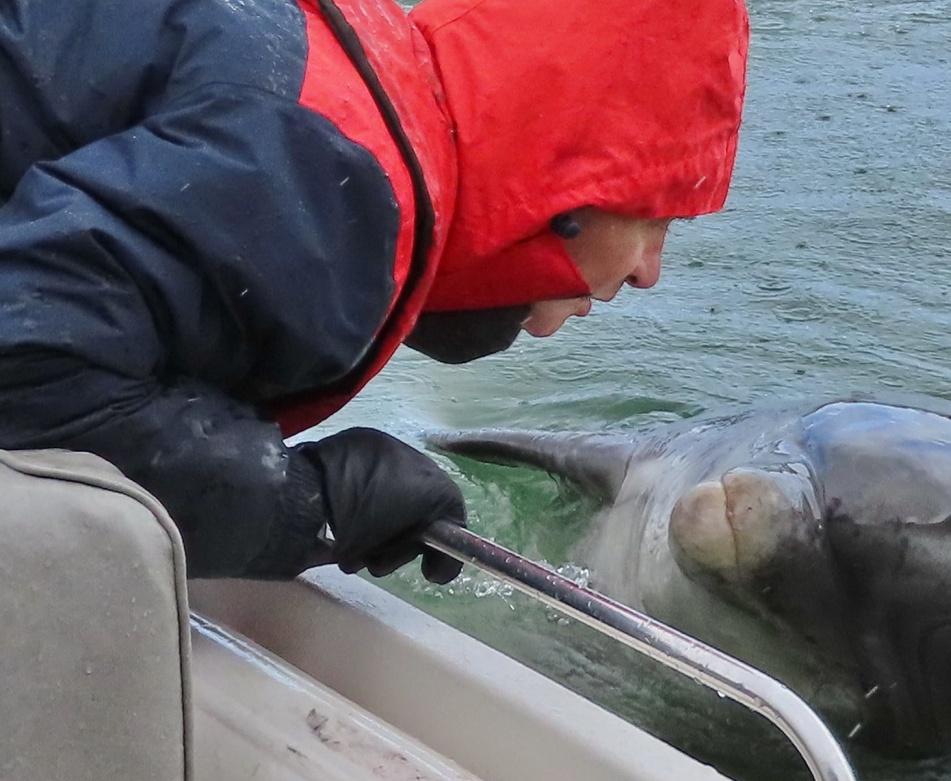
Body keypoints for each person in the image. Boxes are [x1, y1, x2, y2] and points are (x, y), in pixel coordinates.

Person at [0, 0, 749, 582]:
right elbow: (26, 356)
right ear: (566, 185)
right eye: (659, 216)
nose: (650, 271)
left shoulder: (345, 75)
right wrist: (304, 505)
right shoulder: (335, 185)